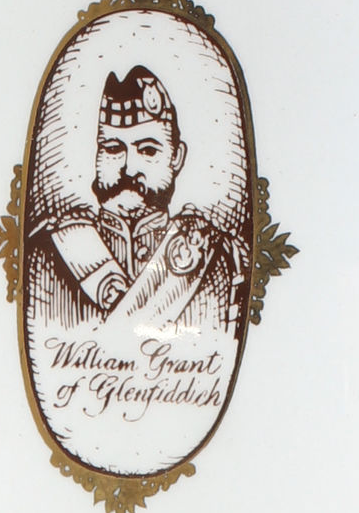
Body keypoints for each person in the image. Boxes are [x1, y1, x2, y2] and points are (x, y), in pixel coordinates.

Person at [30, 65, 246, 336]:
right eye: (113, 149)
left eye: (148, 150)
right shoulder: (48, 252)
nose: (129, 168)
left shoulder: (218, 257)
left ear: (177, 157)